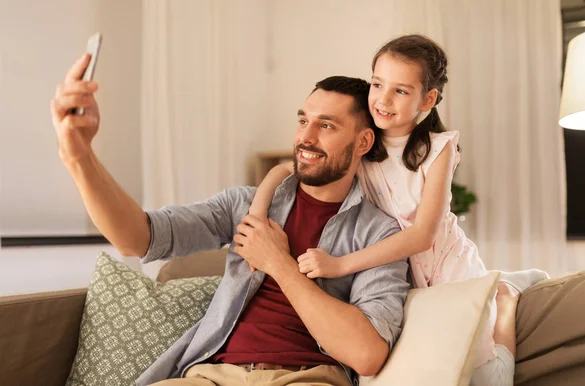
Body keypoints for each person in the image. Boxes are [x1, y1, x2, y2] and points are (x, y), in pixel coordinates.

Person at [50, 56, 409, 386]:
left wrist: (278, 264)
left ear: (363, 141)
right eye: (303, 121)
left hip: (306, 378)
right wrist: (80, 157)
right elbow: (138, 238)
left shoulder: (379, 233)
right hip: (211, 376)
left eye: (326, 126)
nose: (305, 138)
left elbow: (367, 355)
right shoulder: (245, 204)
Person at [248, 34, 550, 386]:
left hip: (446, 266)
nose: (383, 99)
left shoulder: (439, 149)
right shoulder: (362, 145)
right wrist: (256, 215)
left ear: (428, 99)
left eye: (401, 91)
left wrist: (341, 264)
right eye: (378, 84)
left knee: (488, 379)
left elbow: (422, 235)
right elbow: (284, 169)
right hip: (399, 274)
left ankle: (507, 296)